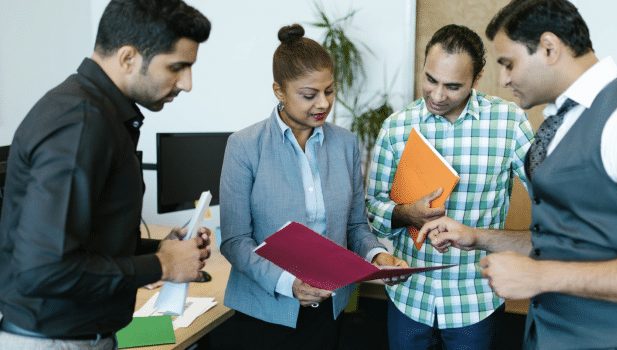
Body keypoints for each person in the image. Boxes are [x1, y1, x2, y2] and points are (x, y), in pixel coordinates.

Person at [419, 0, 617, 349]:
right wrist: (477, 236)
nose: (504, 79)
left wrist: (539, 275)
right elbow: (567, 243)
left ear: (549, 48)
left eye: (509, 63)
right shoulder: (562, 120)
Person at [0, 1, 212, 349]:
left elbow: (87, 243)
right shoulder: (80, 123)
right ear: (129, 57)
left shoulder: (102, 114)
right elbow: (45, 269)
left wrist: (161, 248)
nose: (187, 83)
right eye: (177, 67)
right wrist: (161, 265)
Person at [218, 24, 408, 350]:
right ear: (279, 90)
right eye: (309, 95)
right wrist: (289, 283)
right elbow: (235, 241)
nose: (323, 103)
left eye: (330, 91)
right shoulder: (244, 146)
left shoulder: (345, 144)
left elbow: (355, 226)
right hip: (266, 311)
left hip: (328, 309)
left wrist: (377, 255)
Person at [365, 24, 534, 349]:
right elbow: (373, 208)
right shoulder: (396, 127)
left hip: (475, 296)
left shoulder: (509, 122)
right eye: (431, 80)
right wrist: (405, 214)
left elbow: (551, 196)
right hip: (409, 292)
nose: (438, 95)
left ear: (478, 77)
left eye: (453, 86)